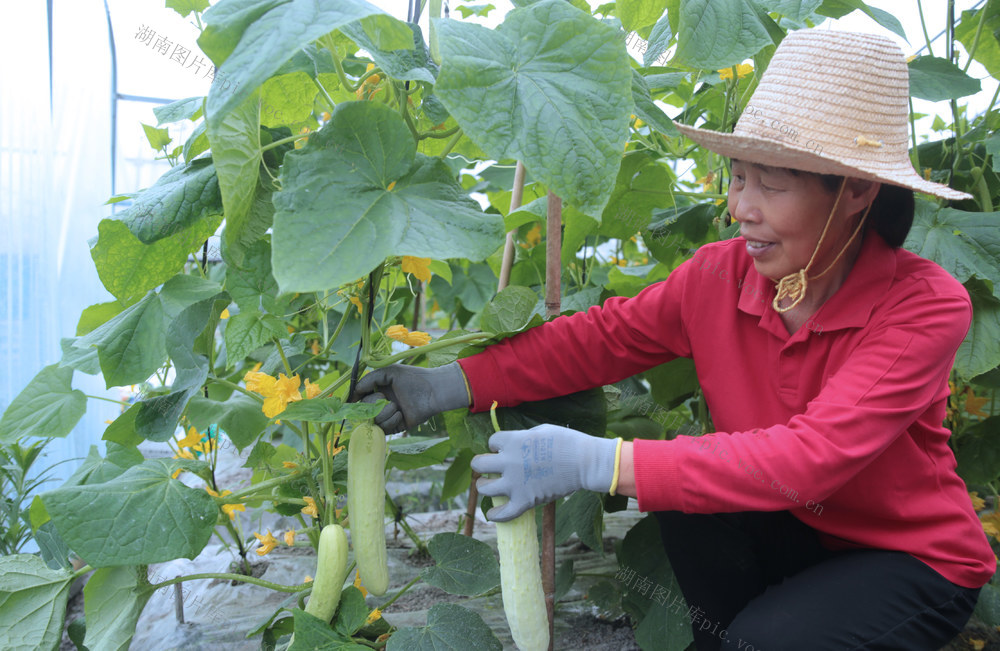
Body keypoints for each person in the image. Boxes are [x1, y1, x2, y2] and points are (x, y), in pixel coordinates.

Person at [353, 30, 995, 650]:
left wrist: (597, 463)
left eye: (772, 183)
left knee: (765, 638)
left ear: (855, 191)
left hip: (911, 560)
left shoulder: (924, 304)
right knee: (694, 499)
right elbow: (598, 341)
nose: (742, 207)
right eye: (739, 177)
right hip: (798, 531)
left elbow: (812, 459)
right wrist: (452, 383)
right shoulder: (718, 275)